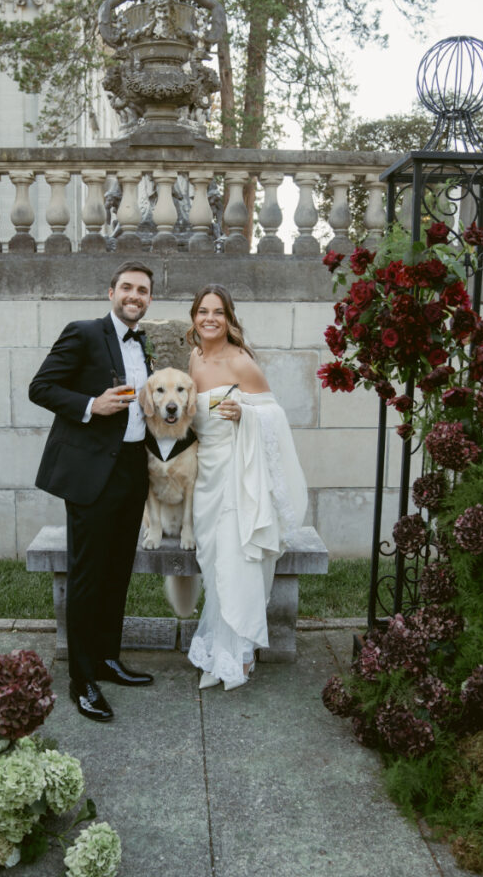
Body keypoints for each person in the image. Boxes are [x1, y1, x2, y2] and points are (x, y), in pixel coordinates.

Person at [28, 261, 155, 722]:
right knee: (86, 574)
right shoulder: (83, 332)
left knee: (118, 570)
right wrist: (90, 405)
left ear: (149, 299)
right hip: (91, 473)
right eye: (127, 287)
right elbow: (40, 388)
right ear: (111, 292)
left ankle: (106, 658)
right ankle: (81, 680)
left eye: (142, 290)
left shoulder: (144, 343)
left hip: (131, 468)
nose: (134, 295)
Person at [186, 283, 308, 691]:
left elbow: (274, 414)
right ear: (194, 317)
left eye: (218, 312)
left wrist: (247, 415)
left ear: (229, 318)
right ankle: (218, 647)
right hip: (205, 476)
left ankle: (236, 656)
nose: (209, 319)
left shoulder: (241, 362)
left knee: (236, 562)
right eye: (203, 311)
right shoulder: (194, 359)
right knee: (214, 561)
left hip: (239, 475)